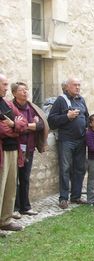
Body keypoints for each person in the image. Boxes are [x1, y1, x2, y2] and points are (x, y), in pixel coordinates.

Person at [47, 77, 89, 209]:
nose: (78, 87)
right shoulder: (61, 100)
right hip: (67, 140)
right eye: (75, 85)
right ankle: (63, 198)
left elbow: (86, 116)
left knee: (80, 168)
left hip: (81, 140)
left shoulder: (81, 99)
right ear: (66, 87)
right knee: (65, 169)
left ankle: (76, 196)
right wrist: (67, 117)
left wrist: (87, 128)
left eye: (79, 85)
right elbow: (51, 121)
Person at [11, 82, 48, 216]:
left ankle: (25, 207)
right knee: (13, 179)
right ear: (14, 93)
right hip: (14, 148)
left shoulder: (31, 108)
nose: (26, 92)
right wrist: (30, 124)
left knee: (25, 177)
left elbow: (40, 126)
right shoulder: (10, 107)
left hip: (29, 148)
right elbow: (13, 127)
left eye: (26, 90)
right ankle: (13, 208)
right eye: (22, 90)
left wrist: (23, 125)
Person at [0, 74, 28, 233]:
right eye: (4, 84)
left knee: (10, 188)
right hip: (1, 153)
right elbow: (2, 131)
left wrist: (13, 124)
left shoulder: (6, 103)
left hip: (12, 151)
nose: (6, 87)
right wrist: (15, 128)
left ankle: (5, 220)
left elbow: (23, 122)